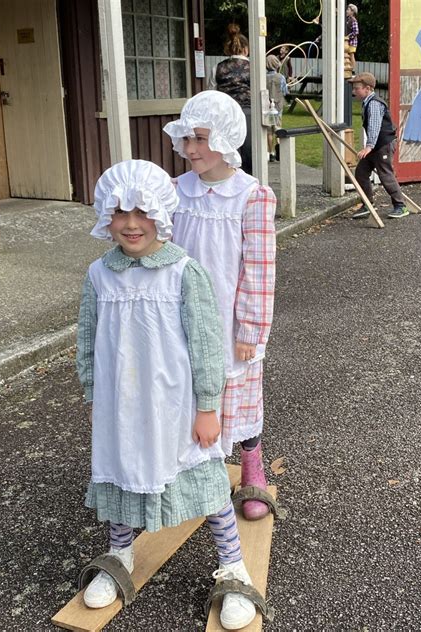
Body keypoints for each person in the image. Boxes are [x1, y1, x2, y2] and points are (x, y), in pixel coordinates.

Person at [76, 159, 258, 630]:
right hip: (122, 405)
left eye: (142, 212)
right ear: (105, 216)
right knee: (122, 470)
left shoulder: (182, 271)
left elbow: (205, 344)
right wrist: (94, 397)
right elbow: (87, 340)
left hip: (176, 405)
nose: (131, 224)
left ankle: (233, 564)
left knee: (204, 479)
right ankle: (120, 554)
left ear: (160, 214)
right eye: (120, 212)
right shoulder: (99, 275)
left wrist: (207, 408)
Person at [163, 91, 276, 521]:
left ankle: (251, 465)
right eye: (186, 138)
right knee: (191, 394)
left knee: (239, 395)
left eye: (202, 138)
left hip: (230, 318)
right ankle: (197, 469)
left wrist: (250, 329)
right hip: (184, 316)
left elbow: (259, 268)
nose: (191, 149)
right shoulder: (176, 191)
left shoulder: (251, 196)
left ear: (227, 138)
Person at [349, 72, 409, 220]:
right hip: (375, 145)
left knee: (385, 174)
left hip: (383, 144)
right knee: (361, 173)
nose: (353, 91)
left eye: (357, 88)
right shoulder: (367, 102)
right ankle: (368, 204)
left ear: (368, 88)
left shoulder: (375, 103)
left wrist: (368, 147)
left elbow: (375, 126)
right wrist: (370, 147)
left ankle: (400, 206)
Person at [207, 23, 252, 175]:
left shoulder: (217, 68)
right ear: (246, 49)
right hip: (248, 113)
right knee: (249, 154)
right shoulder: (253, 67)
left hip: (226, 116)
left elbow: (211, 95)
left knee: (228, 154)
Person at [266, 55, 288, 162]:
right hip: (278, 106)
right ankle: (279, 151)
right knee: (278, 128)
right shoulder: (281, 77)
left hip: (267, 106)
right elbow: (285, 91)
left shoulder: (263, 77)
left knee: (269, 131)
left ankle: (271, 153)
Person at [345, 4, 359, 72]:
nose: (346, 11)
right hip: (348, 41)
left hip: (352, 42)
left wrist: (348, 37)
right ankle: (349, 68)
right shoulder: (348, 19)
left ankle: (353, 69)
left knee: (351, 55)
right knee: (348, 55)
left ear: (352, 12)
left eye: (348, 10)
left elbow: (356, 32)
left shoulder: (353, 20)